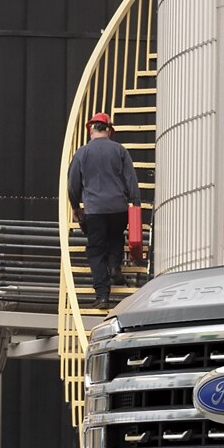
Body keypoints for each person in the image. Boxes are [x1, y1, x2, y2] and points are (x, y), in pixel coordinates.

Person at [65, 111, 140, 309]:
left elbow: (73, 184)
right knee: (116, 237)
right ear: (108, 130)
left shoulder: (82, 153)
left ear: (91, 130)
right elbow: (131, 180)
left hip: (95, 210)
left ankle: (102, 295)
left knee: (96, 250)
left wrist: (75, 206)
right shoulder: (120, 151)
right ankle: (115, 267)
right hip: (118, 207)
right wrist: (135, 205)